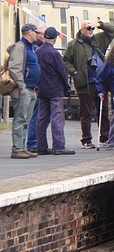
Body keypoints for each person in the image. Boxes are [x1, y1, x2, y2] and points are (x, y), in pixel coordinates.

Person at [64, 20, 114, 148]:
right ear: (81, 30)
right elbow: (66, 61)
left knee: (103, 111)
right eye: (88, 28)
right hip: (85, 83)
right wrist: (75, 72)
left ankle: (105, 138)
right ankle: (86, 139)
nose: (90, 31)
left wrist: (99, 25)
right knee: (86, 112)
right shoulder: (74, 44)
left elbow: (112, 30)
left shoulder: (99, 40)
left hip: (101, 82)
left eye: (92, 29)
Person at [36, 27, 74, 155]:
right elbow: (62, 72)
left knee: (42, 118)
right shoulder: (54, 53)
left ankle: (41, 145)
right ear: (55, 38)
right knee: (57, 118)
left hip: (42, 88)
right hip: (54, 89)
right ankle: (59, 145)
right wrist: (66, 86)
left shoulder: (38, 51)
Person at [7, 24, 42, 159]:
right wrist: (21, 86)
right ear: (29, 32)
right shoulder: (20, 47)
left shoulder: (30, 48)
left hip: (31, 88)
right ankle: (17, 149)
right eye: (36, 33)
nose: (38, 35)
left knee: (25, 120)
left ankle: (21, 147)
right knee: (20, 119)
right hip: (24, 89)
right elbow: (14, 67)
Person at [26, 26, 47, 153]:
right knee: (36, 116)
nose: (43, 36)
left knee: (41, 116)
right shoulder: (34, 49)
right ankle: (32, 142)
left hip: (41, 86)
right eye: (41, 34)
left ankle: (37, 142)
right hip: (36, 87)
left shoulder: (36, 49)